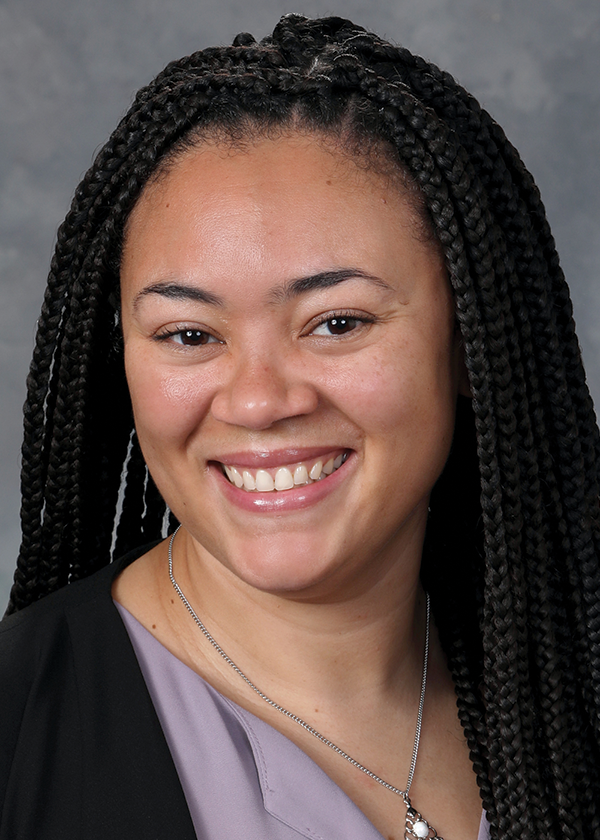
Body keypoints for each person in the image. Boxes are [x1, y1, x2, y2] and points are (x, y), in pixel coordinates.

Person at [1, 13, 599, 840]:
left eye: (337, 323)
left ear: (472, 340)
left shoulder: (572, 685)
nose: (257, 402)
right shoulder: (16, 735)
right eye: (189, 335)